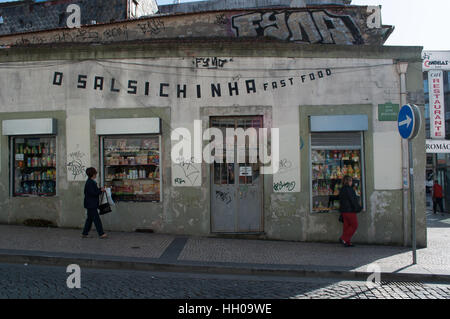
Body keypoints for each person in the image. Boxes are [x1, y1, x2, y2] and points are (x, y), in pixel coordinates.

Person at [82, 167, 108, 239]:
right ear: (93, 174)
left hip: (90, 204)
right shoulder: (90, 182)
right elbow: (93, 193)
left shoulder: (90, 182)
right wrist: (100, 191)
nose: (96, 174)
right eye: (95, 173)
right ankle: (101, 233)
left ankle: (84, 233)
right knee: (96, 219)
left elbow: (94, 191)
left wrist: (100, 189)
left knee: (89, 219)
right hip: (91, 204)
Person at [338, 175, 361, 247]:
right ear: (348, 181)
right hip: (350, 210)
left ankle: (347, 242)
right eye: (351, 181)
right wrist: (358, 207)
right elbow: (353, 200)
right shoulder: (350, 189)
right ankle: (343, 238)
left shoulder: (342, 189)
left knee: (346, 227)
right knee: (354, 225)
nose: (352, 182)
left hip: (344, 211)